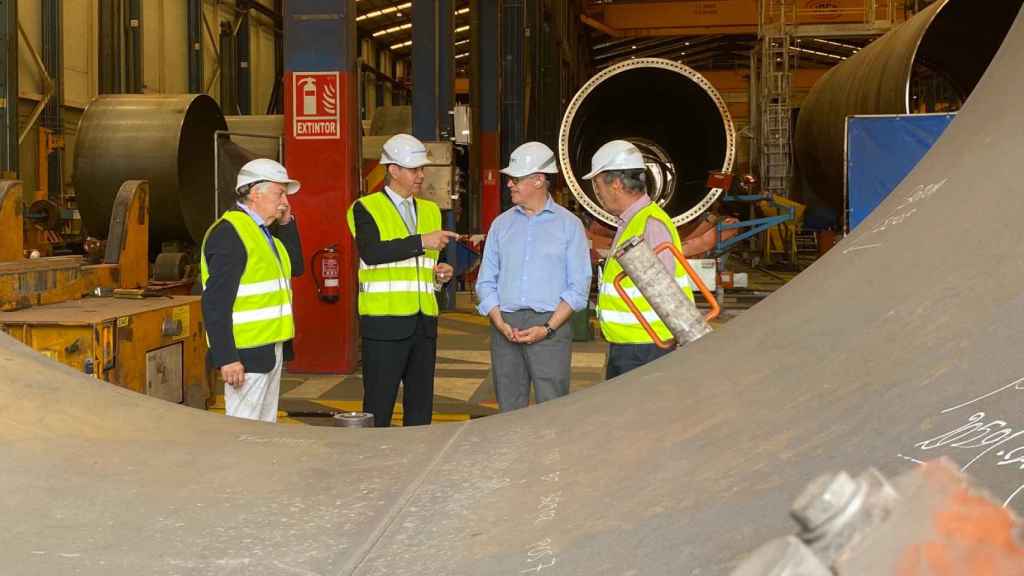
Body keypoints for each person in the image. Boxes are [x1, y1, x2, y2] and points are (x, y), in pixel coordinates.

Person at [346, 133, 459, 427]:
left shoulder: (431, 211)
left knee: (421, 407)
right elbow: (372, 253)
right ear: (393, 170)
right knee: (379, 405)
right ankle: (375, 464)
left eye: (422, 169)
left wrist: (439, 276)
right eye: (414, 169)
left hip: (424, 324)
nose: (421, 175)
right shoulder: (365, 208)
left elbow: (423, 265)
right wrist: (422, 240)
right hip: (384, 323)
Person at [475, 142, 591, 411]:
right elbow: (486, 280)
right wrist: (499, 321)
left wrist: (548, 328)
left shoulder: (568, 226)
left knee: (552, 407)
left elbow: (578, 287)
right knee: (509, 407)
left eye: (515, 179)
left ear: (539, 180)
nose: (509, 185)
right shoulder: (501, 224)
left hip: (550, 327)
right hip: (506, 326)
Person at [201, 158, 304, 422]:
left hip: (269, 349)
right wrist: (227, 357)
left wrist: (287, 221)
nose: (284, 200)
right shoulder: (231, 234)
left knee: (263, 426)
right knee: (244, 430)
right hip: (245, 356)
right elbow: (215, 303)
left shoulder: (264, 233)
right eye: (279, 192)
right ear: (255, 192)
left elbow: (297, 266)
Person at [581, 140, 695, 379]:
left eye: (597, 183)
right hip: (633, 344)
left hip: (646, 347)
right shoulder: (633, 222)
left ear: (616, 184)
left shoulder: (650, 225)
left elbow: (665, 291)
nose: (597, 191)